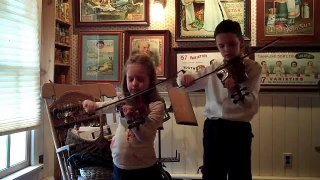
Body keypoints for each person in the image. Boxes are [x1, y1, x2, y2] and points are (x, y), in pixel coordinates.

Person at [176, 20, 262, 180]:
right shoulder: (214, 69)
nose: (226, 50)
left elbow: (250, 102)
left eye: (231, 44)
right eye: (221, 46)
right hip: (213, 129)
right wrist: (185, 78)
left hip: (239, 129)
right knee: (212, 174)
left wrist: (235, 89)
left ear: (241, 43)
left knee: (240, 174)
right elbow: (184, 84)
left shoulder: (253, 69)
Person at [82, 54, 165, 180]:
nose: (134, 84)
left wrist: (131, 119)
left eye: (140, 79)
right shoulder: (124, 101)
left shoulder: (155, 105)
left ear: (151, 81)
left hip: (143, 169)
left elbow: (145, 137)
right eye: (130, 79)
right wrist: (94, 105)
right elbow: (108, 105)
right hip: (118, 167)